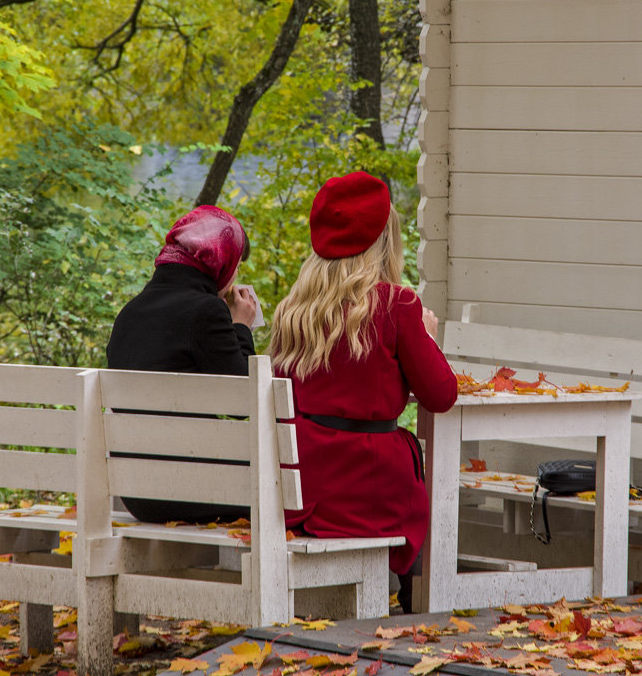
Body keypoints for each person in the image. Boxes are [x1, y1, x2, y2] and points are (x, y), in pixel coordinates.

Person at [267, 171, 458, 610]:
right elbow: (441, 395)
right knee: (413, 470)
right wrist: (427, 338)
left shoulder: (293, 313)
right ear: (383, 242)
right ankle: (419, 605)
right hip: (367, 490)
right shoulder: (397, 305)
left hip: (304, 490)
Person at [106, 204, 258, 523]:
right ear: (221, 261)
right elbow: (242, 402)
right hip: (189, 490)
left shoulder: (130, 313)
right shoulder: (205, 313)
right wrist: (241, 325)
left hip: (137, 495)